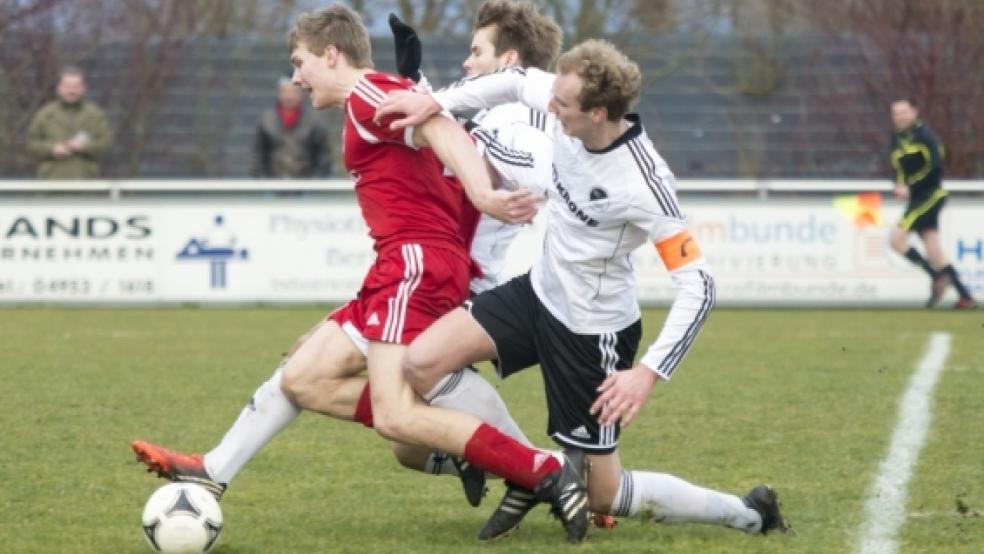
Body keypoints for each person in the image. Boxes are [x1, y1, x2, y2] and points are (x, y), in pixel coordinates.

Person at [132, 4, 590, 544]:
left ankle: (542, 470)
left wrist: (484, 194)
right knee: (302, 375)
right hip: (398, 267)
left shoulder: (367, 93)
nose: (296, 77)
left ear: (331, 54)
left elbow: (440, 125)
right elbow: (432, 128)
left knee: (398, 420)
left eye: (300, 62)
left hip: (416, 266)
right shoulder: (367, 102)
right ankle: (211, 471)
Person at [377, 39, 791, 541]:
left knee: (603, 495)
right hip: (538, 293)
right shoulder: (567, 96)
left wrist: (648, 373)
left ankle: (746, 512)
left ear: (598, 113)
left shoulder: (645, 182)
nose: (550, 108)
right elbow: (512, 81)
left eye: (562, 106)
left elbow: (698, 285)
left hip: (592, 332)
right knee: (422, 362)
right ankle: (532, 467)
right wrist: (438, 102)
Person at [888, 99, 975, 309]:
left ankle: (936, 277)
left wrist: (910, 186)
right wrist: (899, 184)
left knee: (896, 239)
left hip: (931, 195)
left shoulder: (926, 137)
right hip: (917, 197)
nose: (901, 117)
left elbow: (935, 167)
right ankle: (965, 296)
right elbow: (897, 167)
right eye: (896, 113)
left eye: (904, 112)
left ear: (914, 112)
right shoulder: (897, 139)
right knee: (934, 250)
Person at [25, 66, 112, 179]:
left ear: (83, 88)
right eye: (67, 87)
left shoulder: (95, 115)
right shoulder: (46, 114)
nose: (72, 91)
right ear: (59, 88)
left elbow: (106, 144)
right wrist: (51, 149)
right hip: (52, 184)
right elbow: (30, 144)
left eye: (76, 87)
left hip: (86, 184)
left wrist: (84, 147)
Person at [253, 77, 332, 178]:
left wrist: (314, 181)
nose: (289, 96)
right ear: (279, 93)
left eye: (294, 92)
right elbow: (257, 156)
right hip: (272, 186)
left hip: (307, 188)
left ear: (301, 94)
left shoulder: (314, 123)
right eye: (285, 92)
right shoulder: (265, 122)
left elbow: (323, 157)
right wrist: (263, 181)